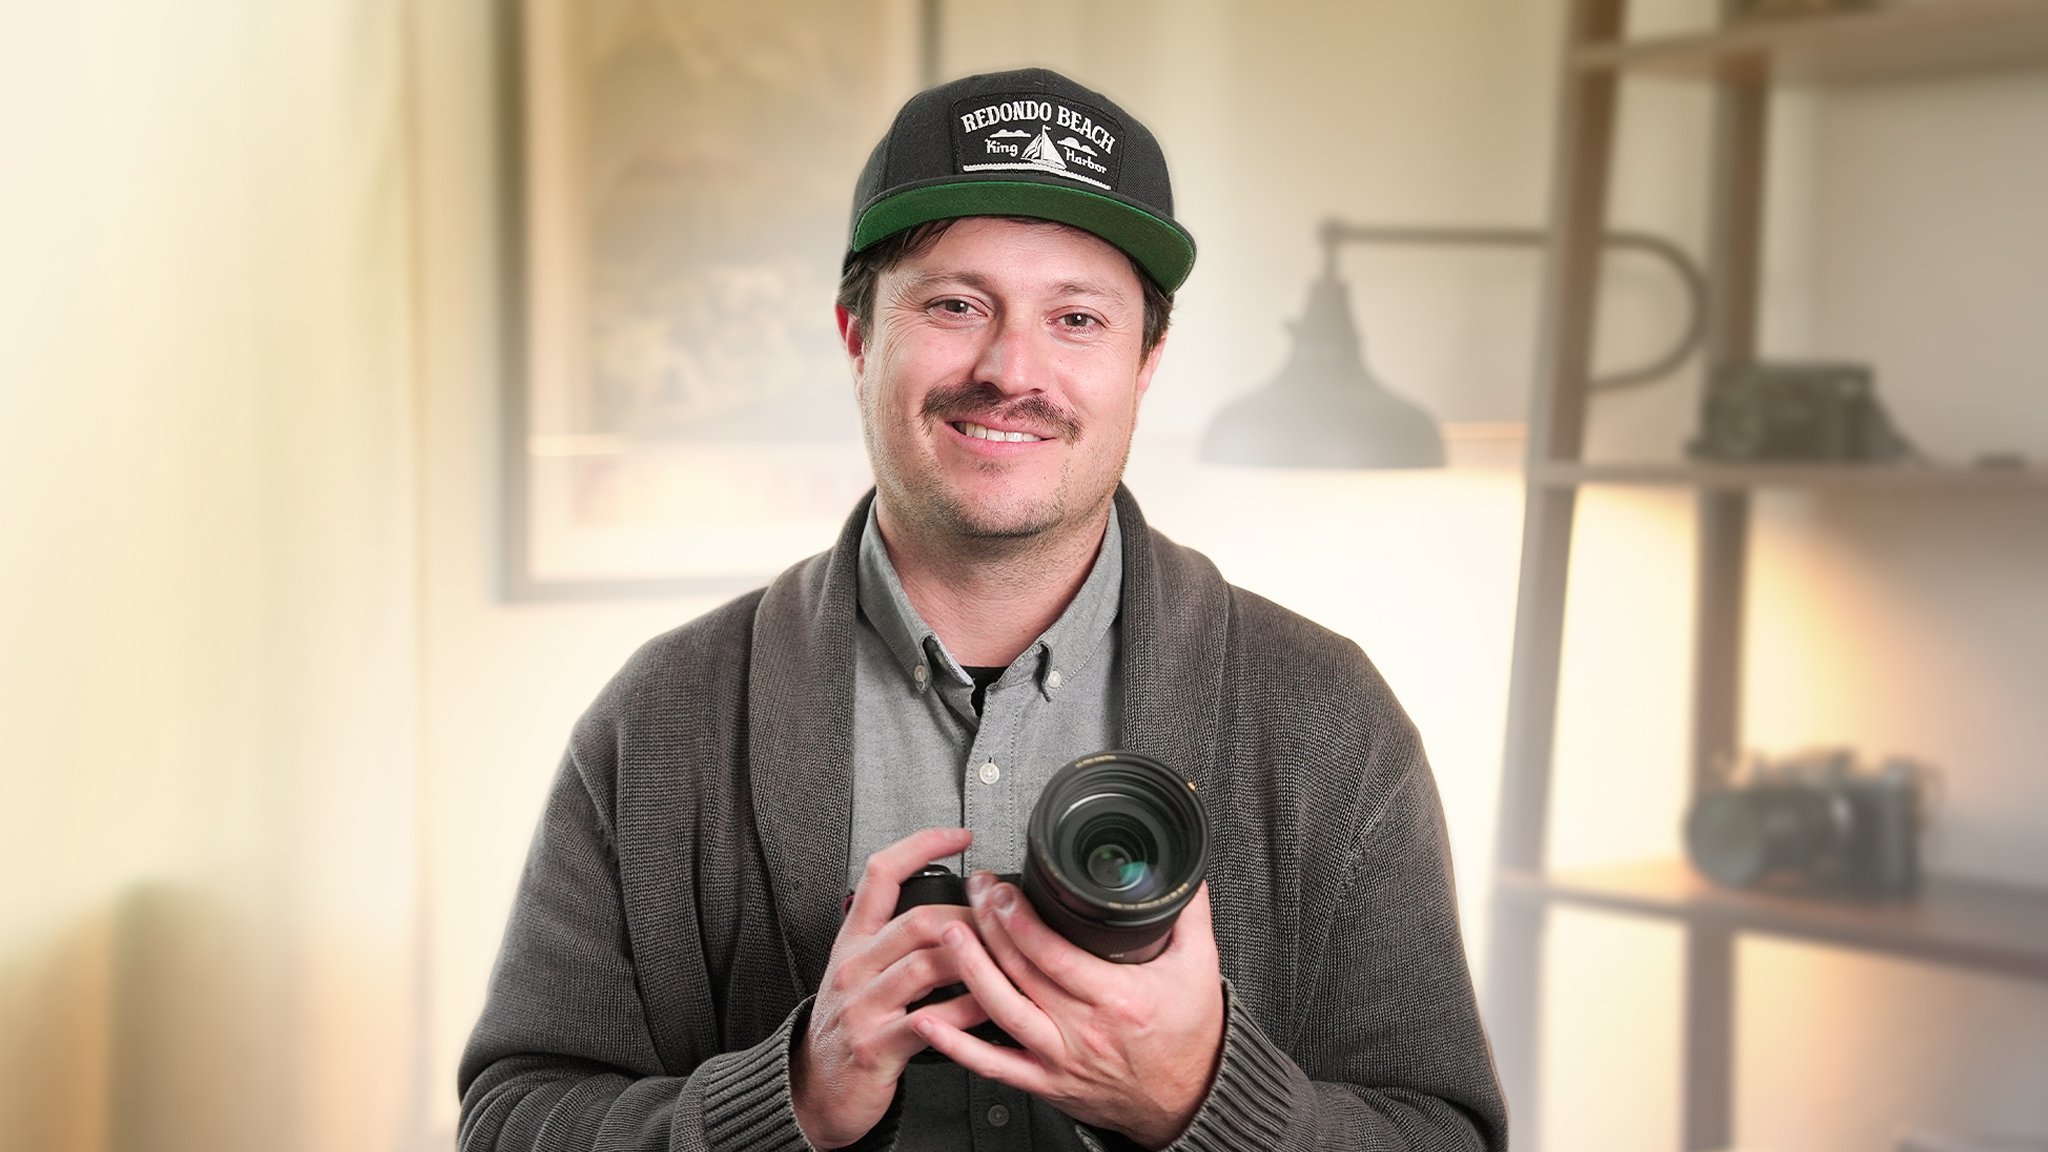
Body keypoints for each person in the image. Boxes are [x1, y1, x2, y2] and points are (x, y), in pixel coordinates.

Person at [459, 67, 1506, 1152]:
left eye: (1077, 318)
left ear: (1145, 363)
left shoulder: (1326, 716)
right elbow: (509, 1122)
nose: (1012, 370)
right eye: (955, 305)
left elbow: (1444, 1137)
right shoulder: (666, 717)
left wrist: (1202, 1098)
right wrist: (791, 1096)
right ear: (857, 335)